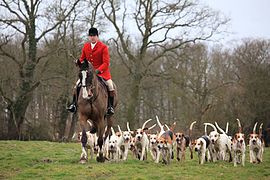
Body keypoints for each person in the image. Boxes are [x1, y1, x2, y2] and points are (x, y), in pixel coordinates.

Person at [67, 27, 115, 115]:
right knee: (76, 85)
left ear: (97, 36)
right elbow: (82, 58)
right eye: (91, 36)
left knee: (110, 86)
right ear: (89, 37)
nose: (92, 37)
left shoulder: (103, 47)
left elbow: (106, 63)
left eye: (94, 36)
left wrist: (98, 71)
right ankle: (73, 104)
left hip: (102, 72)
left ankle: (110, 107)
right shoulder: (86, 46)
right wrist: (78, 62)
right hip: (88, 73)